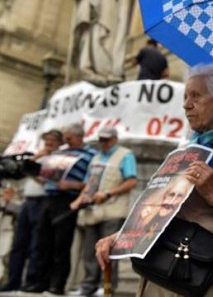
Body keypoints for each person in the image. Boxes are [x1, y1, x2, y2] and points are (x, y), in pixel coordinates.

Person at [95, 63, 213, 296]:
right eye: (186, 96)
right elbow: (156, 209)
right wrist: (119, 238)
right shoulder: (185, 149)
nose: (186, 105)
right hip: (158, 268)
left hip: (201, 275)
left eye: (196, 96)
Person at [21, 124, 96, 295]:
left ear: (78, 137)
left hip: (68, 199)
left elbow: (94, 181)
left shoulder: (91, 155)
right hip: (49, 198)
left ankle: (57, 283)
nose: (65, 141)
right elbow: (36, 172)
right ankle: (41, 281)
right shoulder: (60, 153)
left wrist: (73, 185)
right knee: (43, 241)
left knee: (61, 243)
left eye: (68, 137)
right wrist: (39, 156)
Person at [69, 126, 137, 297]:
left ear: (115, 138)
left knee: (109, 251)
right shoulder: (96, 157)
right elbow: (89, 184)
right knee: (90, 251)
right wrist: (78, 200)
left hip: (113, 210)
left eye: (106, 139)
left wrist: (107, 193)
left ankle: (106, 286)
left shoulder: (125, 155)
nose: (103, 143)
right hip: (92, 211)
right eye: (101, 139)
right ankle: (88, 286)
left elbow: (131, 182)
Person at [0, 129, 63, 292]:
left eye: (52, 141)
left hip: (44, 201)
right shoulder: (39, 155)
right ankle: (13, 281)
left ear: (59, 143)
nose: (49, 143)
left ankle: (31, 280)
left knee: (37, 244)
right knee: (18, 244)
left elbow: (50, 180)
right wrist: (36, 157)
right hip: (28, 201)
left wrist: (33, 172)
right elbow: (21, 170)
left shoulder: (59, 159)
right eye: (46, 140)